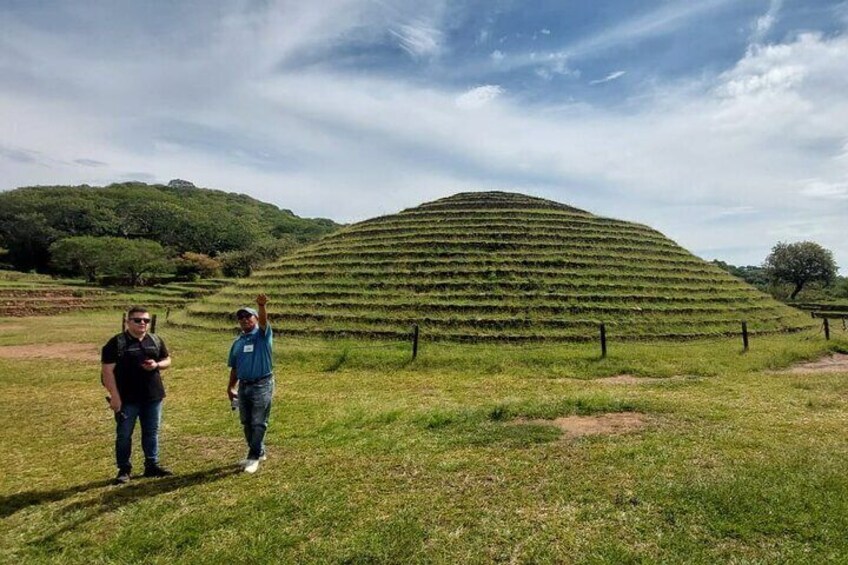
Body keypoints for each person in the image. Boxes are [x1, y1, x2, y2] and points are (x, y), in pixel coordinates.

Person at [101, 306, 173, 485]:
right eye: (138, 320)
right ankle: (124, 469)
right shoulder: (116, 343)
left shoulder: (155, 340)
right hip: (127, 398)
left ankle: (151, 465)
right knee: (124, 434)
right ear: (128, 322)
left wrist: (156, 365)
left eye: (146, 320)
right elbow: (107, 372)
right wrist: (115, 396)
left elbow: (168, 360)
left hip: (152, 396)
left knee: (151, 432)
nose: (142, 323)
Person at [227, 293, 274, 474]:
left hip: (262, 384)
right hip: (244, 385)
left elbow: (263, 322)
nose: (244, 319)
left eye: (248, 316)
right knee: (246, 421)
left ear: (255, 318)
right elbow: (235, 367)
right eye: (241, 317)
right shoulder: (238, 342)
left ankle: (253, 456)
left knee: (258, 421)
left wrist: (261, 306)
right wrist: (231, 386)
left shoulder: (262, 335)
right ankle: (259, 451)